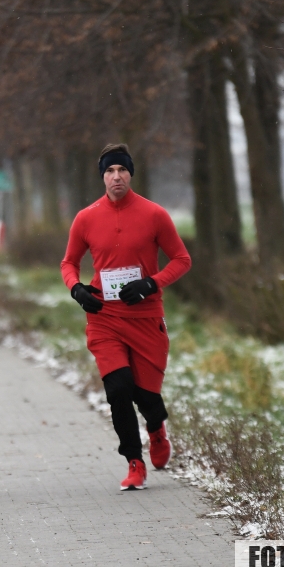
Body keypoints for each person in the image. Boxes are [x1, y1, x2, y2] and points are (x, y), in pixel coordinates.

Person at [60, 143, 191, 491]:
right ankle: (135, 462)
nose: (116, 176)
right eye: (109, 171)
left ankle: (157, 430)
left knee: (147, 397)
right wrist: (77, 289)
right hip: (104, 317)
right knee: (118, 389)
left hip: (145, 317)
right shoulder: (86, 218)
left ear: (131, 174)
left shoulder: (154, 214)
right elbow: (69, 262)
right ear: (102, 176)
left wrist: (151, 283)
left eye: (122, 170)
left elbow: (182, 259)